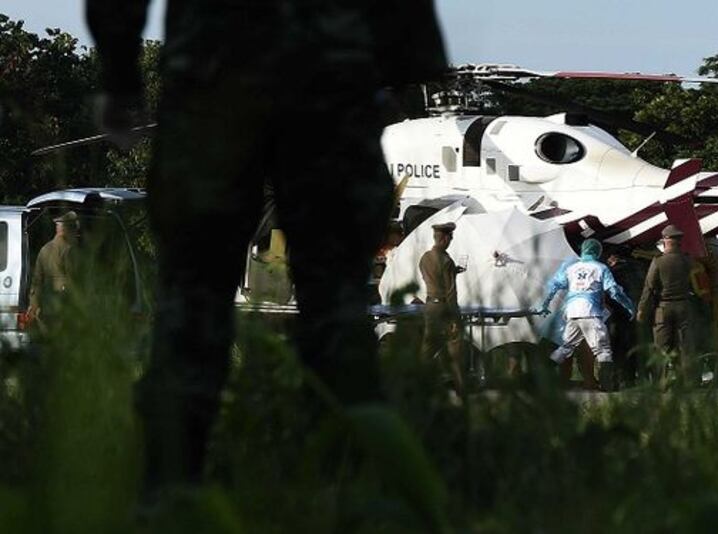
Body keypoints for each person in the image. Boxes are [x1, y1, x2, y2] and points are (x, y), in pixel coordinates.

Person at [86, 0, 448, 488]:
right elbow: (411, 51)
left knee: (193, 302)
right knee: (337, 307)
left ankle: (170, 484)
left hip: (214, 81)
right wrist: (401, 72)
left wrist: (120, 73)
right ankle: (347, 484)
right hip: (330, 89)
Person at [536, 239, 636, 392]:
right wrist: (629, 306)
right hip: (592, 313)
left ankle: (540, 375)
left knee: (566, 348)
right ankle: (606, 385)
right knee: (602, 349)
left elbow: (554, 285)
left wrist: (544, 305)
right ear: (598, 252)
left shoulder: (571, 267)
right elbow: (614, 291)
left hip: (572, 313)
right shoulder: (601, 268)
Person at [637, 225, 695, 382]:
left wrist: (642, 309)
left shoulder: (658, 262)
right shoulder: (688, 260)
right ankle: (687, 381)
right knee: (685, 347)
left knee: (661, 347)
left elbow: (648, 287)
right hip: (684, 306)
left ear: (666, 241)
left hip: (663, 308)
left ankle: (660, 382)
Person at [419, 222, 466, 392]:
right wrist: (456, 317)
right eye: (450, 238)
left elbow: (430, 278)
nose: (450, 241)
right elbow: (451, 293)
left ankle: (418, 384)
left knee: (428, 347)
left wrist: (453, 271)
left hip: (430, 305)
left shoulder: (424, 258)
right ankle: (461, 387)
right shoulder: (446, 261)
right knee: (456, 347)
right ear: (445, 238)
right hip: (445, 308)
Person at [28, 211, 80, 324]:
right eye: (74, 229)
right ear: (67, 229)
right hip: (64, 304)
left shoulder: (45, 248)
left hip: (46, 304)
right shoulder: (69, 250)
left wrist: (34, 304)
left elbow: (36, 280)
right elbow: (73, 279)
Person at [605, 247, 645, 385]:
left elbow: (609, 293)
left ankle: (618, 378)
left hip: (617, 315)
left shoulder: (611, 272)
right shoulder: (640, 269)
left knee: (617, 348)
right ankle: (631, 378)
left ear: (614, 258)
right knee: (634, 345)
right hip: (636, 313)